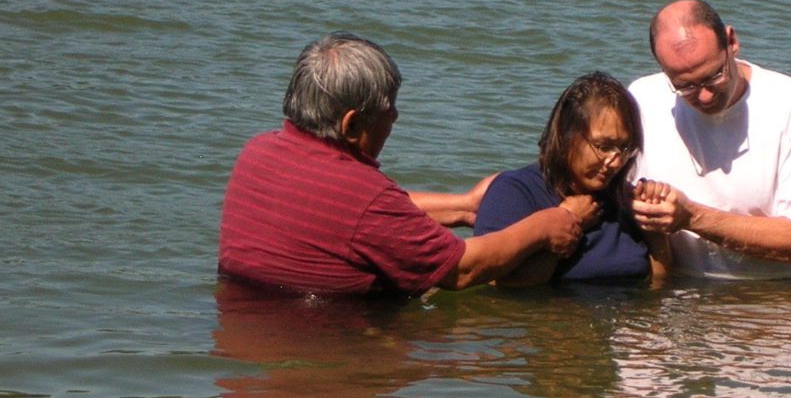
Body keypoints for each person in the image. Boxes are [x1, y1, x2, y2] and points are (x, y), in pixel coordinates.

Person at [218, 32, 596, 297]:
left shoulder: (258, 152)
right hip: (326, 347)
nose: (395, 117)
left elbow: (361, 215)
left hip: (246, 344)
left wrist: (465, 207)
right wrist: (547, 225)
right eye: (389, 110)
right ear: (351, 124)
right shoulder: (362, 196)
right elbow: (463, 270)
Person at [628, 0, 791, 279]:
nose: (704, 95)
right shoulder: (642, 98)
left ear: (731, 41)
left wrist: (691, 217)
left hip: (763, 298)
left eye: (714, 76)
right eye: (684, 86)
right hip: (671, 288)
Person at [473, 72, 670, 285]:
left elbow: (658, 283)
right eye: (603, 147)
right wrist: (566, 223)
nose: (615, 162)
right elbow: (504, 286)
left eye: (625, 148)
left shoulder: (623, 200)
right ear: (566, 135)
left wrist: (654, 230)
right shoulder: (514, 193)